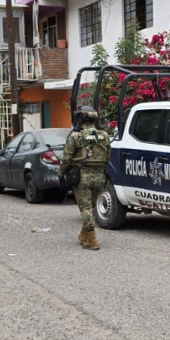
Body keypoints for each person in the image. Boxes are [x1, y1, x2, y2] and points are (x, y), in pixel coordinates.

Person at [58, 106, 111, 250]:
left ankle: (92, 240)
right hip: (100, 177)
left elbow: (66, 158)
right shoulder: (104, 135)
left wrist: (61, 174)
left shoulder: (76, 136)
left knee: (85, 209)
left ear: (80, 120)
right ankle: (83, 235)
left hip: (82, 177)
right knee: (91, 207)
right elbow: (108, 156)